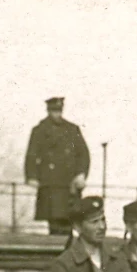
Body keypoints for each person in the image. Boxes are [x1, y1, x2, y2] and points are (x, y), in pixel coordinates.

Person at [49, 196, 135, 272]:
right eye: (94, 222)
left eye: (103, 220)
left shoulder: (117, 259)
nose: (102, 226)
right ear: (78, 227)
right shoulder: (64, 264)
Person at [24, 97, 91, 236]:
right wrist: (32, 177)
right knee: (54, 220)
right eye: (54, 111)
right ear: (48, 111)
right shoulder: (40, 130)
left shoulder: (72, 129)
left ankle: (67, 250)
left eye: (59, 111)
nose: (57, 114)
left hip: (69, 184)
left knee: (70, 219)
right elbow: (31, 155)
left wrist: (81, 174)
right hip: (50, 183)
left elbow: (83, 154)